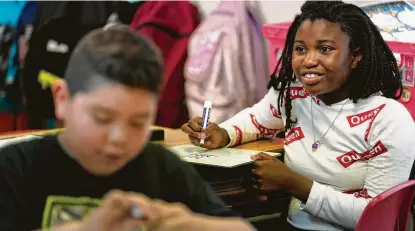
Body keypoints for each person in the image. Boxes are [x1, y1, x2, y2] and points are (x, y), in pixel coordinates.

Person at [181, 1, 415, 230]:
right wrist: (223, 133)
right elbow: (256, 119)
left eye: (325, 49)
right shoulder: (293, 95)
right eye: (300, 49)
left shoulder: (388, 119)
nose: (309, 61)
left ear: (354, 57)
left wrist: (295, 184)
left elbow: (376, 218)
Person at [0, 25, 255, 231]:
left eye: (138, 122)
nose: (119, 138)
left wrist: (189, 224)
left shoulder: (161, 166)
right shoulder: (15, 167)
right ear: (62, 99)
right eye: (102, 118)